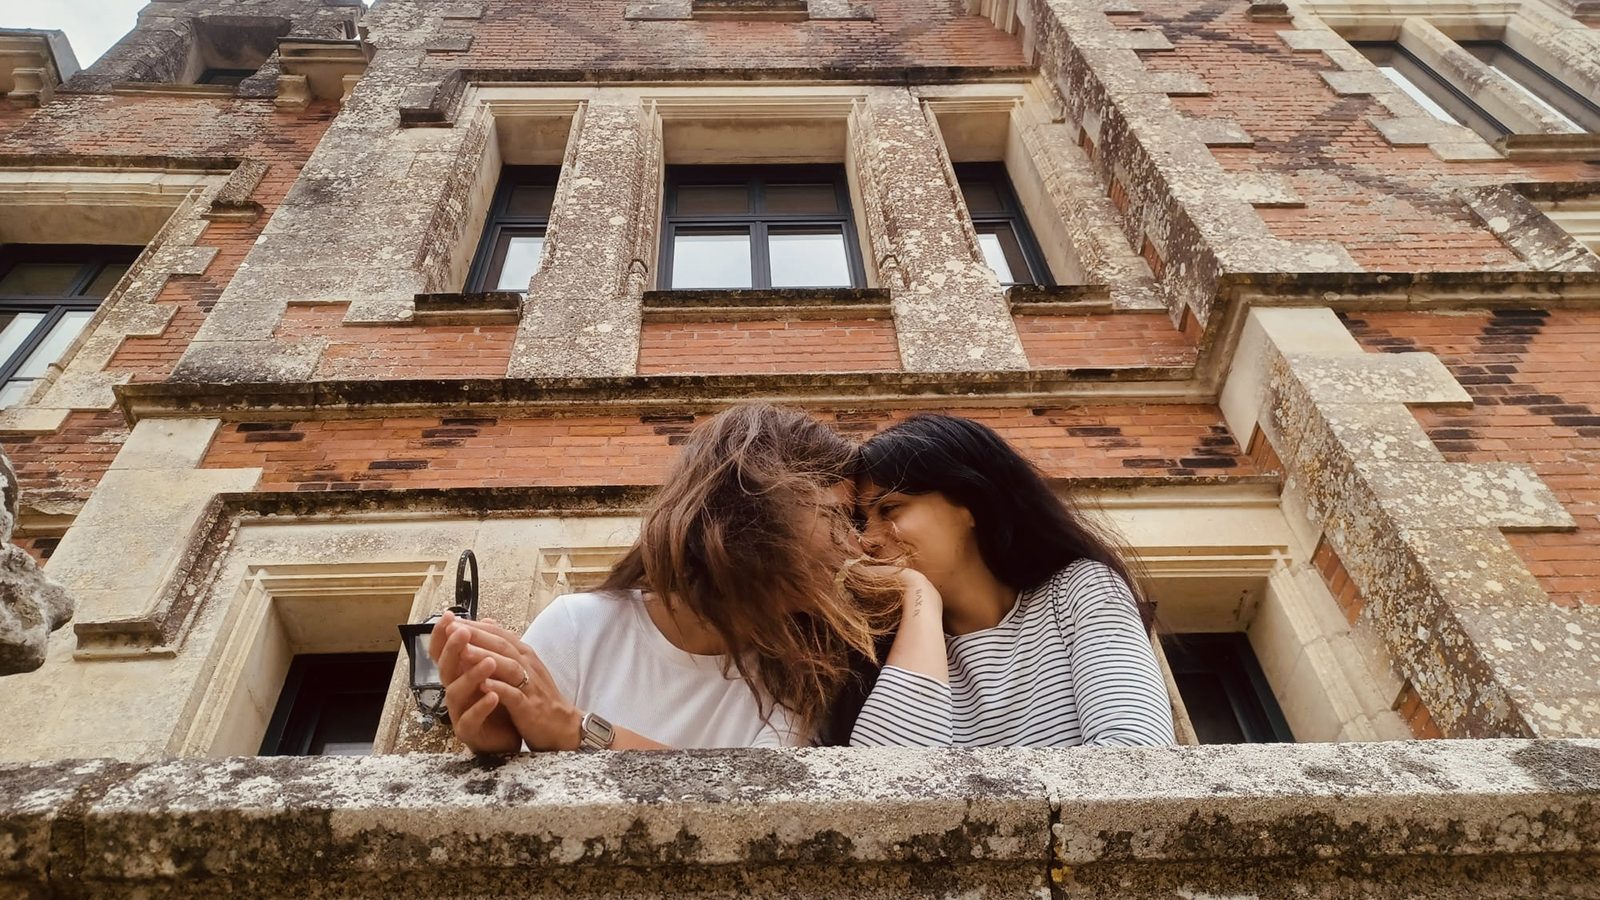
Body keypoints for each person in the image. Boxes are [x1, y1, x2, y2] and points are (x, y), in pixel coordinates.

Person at [427, 403, 899, 752]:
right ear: (764, 503)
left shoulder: (799, 675)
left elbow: (747, 813)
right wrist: (497, 753)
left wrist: (578, 732)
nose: (854, 547)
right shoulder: (578, 627)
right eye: (839, 519)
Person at [845, 414, 1176, 747]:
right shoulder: (876, 651)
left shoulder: (1078, 590)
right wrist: (919, 597)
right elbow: (888, 787)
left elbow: (1137, 756)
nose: (867, 540)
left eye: (889, 508)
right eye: (862, 522)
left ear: (971, 504)